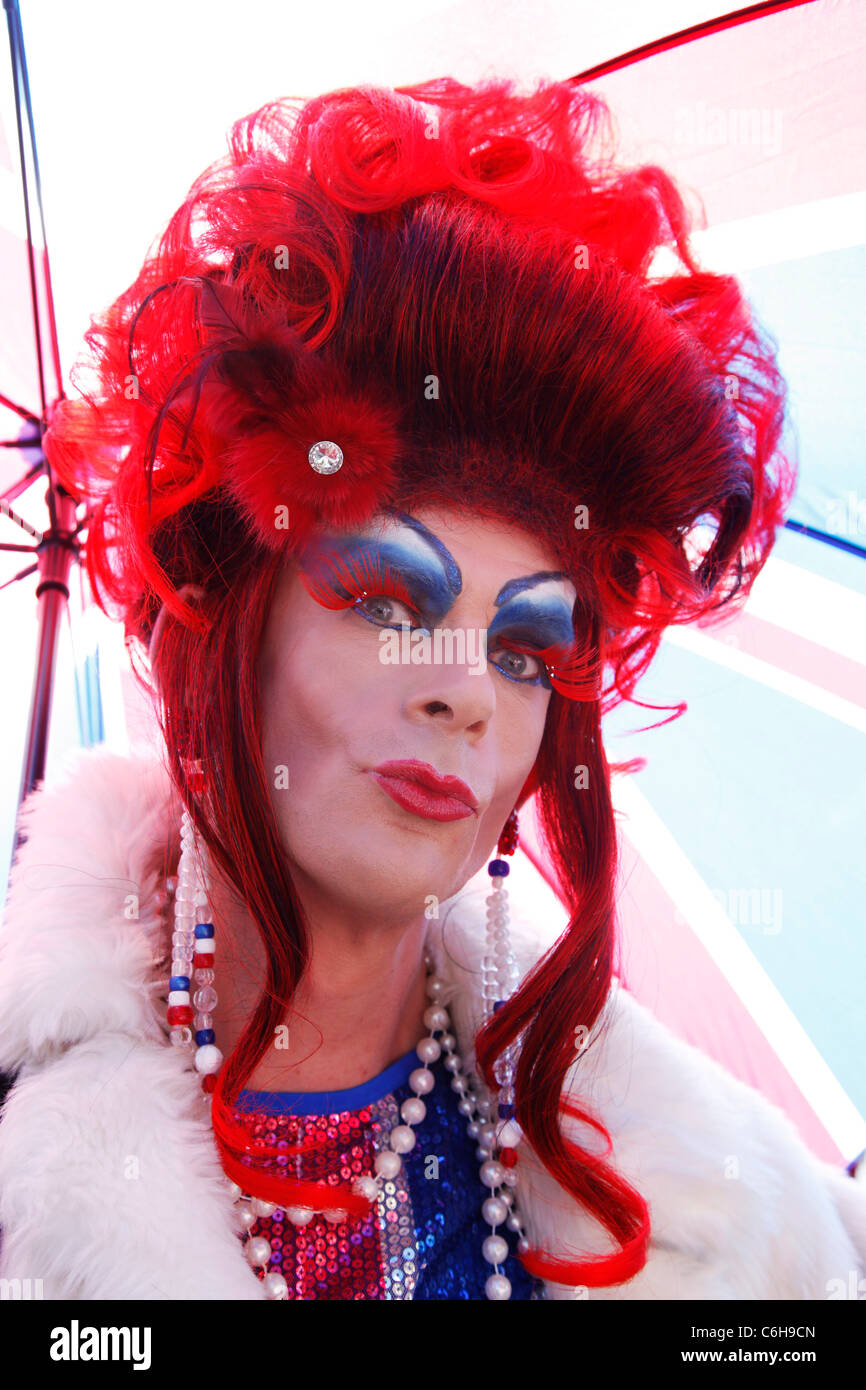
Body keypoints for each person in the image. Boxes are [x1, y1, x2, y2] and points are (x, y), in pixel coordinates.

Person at [0, 75, 864, 1302]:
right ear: (227, 631)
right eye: (388, 602)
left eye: (523, 650)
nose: (466, 692)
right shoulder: (23, 1182)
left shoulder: (733, 1213)